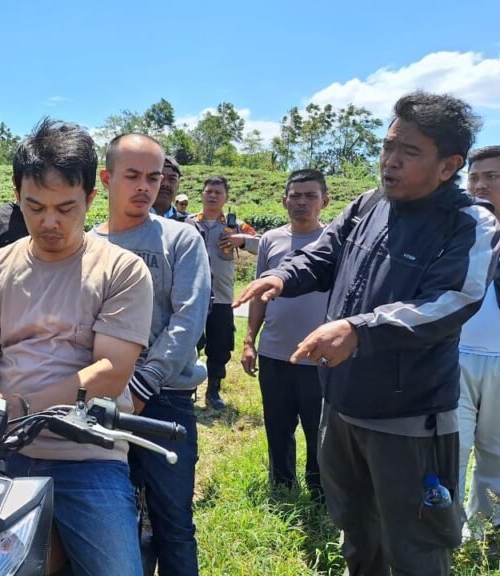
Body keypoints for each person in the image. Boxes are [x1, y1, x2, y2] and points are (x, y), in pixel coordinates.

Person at [235, 91, 500, 575]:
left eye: (409, 152)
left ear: (449, 166)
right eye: (388, 146)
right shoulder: (369, 204)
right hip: (340, 407)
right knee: (357, 534)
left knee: (417, 548)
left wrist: (359, 329)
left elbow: (451, 300)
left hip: (409, 418)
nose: (390, 161)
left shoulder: (469, 223)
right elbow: (324, 254)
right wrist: (282, 276)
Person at [0, 118, 153, 576]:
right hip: (2, 448)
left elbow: (111, 371)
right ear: (17, 194)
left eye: (65, 208)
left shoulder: (121, 270)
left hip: (88, 455)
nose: (49, 222)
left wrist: (18, 406)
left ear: (91, 198)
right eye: (35, 207)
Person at [92, 133, 210, 576]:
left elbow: (188, 317)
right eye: (132, 176)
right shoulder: (86, 244)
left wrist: (144, 382)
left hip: (165, 400)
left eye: (154, 177)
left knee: (173, 522)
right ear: (107, 179)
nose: (145, 186)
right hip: (101, 401)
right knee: (112, 521)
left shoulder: (181, 239)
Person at [240, 169, 330, 500]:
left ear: (325, 201)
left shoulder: (334, 242)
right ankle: (282, 486)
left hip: (319, 357)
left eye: (310, 196)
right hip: (275, 353)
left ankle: (320, 491)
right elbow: (259, 295)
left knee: (319, 431)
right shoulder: (270, 240)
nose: (302, 202)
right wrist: (249, 341)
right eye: (296, 196)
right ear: (284, 201)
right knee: (277, 426)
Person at [457, 145, 500, 539]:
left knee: (497, 452)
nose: (481, 185)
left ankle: (486, 531)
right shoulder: (457, 231)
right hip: (455, 356)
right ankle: (446, 529)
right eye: (474, 177)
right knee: (451, 447)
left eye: (492, 177)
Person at [194, 176, 258, 409]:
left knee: (220, 345)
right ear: (202, 194)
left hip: (222, 296)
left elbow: (263, 244)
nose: (212, 196)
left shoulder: (236, 225)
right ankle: (186, 388)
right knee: (189, 342)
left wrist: (242, 241)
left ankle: (213, 390)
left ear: (226, 198)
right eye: (209, 191)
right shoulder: (189, 223)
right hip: (192, 295)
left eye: (218, 192)